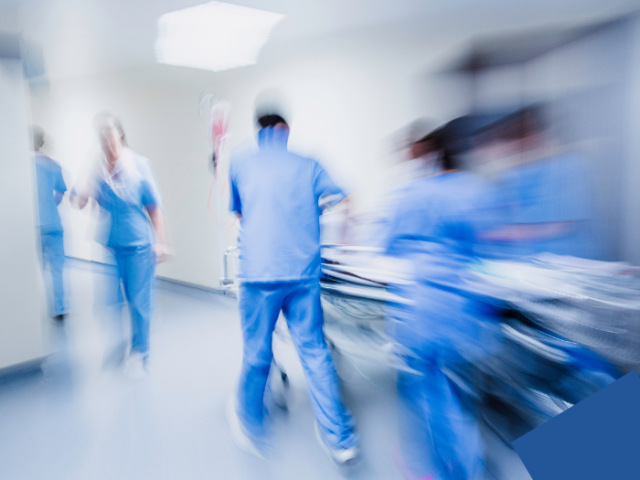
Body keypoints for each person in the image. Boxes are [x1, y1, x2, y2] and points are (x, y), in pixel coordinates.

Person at [226, 110, 360, 465]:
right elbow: (347, 199)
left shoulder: (240, 161)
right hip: (302, 274)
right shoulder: (309, 163)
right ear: (285, 129)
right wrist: (341, 247)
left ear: (260, 130)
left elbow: (239, 214)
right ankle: (340, 439)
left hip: (259, 275)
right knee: (315, 353)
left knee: (257, 353)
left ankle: (250, 423)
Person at [384, 121, 497, 480]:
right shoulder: (476, 189)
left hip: (424, 312)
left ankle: (443, 469)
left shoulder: (413, 194)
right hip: (466, 312)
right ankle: (464, 465)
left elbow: (388, 245)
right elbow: (488, 246)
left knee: (425, 390)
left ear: (430, 153)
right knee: (453, 393)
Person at [70, 113, 167, 377]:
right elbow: (79, 203)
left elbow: (154, 207)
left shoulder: (138, 165)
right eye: (101, 136)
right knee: (110, 302)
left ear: (120, 135)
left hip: (138, 245)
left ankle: (140, 352)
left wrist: (160, 242)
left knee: (138, 302)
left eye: (110, 134)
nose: (106, 140)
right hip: (111, 244)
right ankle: (134, 334)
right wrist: (85, 181)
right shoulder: (97, 170)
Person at [476, 106, 592, 258]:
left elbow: (560, 226)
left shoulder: (568, 167)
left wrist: (494, 235)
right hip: (528, 262)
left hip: (567, 260)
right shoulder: (515, 173)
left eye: (518, 135)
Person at [32, 126, 68, 321]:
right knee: (57, 270)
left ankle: (32, 310)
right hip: (53, 224)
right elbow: (61, 192)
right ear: (42, 142)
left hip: (33, 227)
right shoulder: (53, 165)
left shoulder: (21, 166)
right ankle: (59, 310)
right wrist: (49, 206)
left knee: (34, 269)